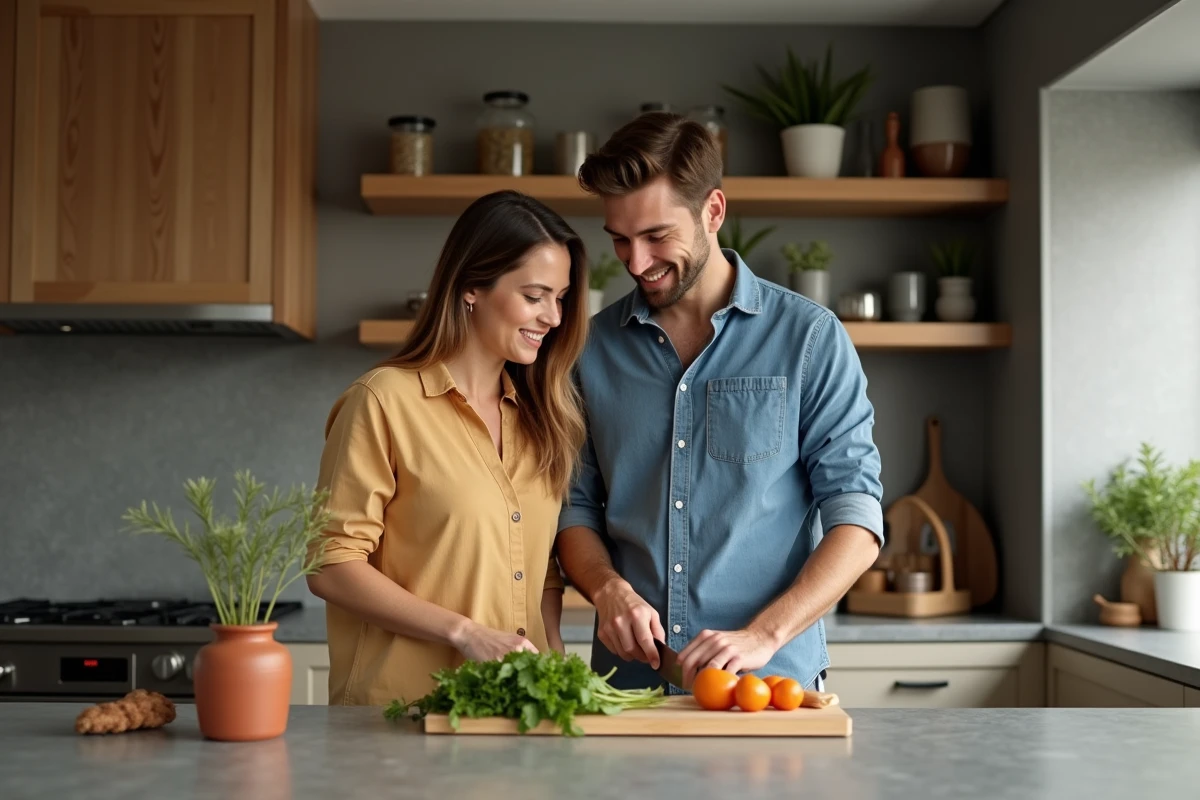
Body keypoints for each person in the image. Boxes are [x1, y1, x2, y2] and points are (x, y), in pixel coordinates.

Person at [555, 113, 884, 693]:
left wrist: (764, 634)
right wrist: (606, 589)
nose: (636, 262)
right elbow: (574, 507)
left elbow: (856, 514)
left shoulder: (808, 338)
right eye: (620, 239)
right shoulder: (589, 349)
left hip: (769, 688)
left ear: (713, 210)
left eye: (657, 236)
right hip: (630, 689)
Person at [306, 190, 590, 706]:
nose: (553, 317)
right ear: (471, 288)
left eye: (561, 298)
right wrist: (465, 633)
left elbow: (539, 569)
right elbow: (331, 565)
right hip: (401, 714)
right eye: (535, 296)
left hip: (513, 714)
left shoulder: (541, 419)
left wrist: (553, 660)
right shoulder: (383, 401)